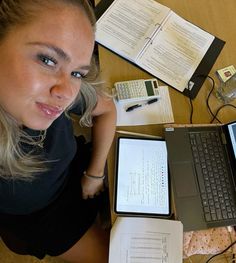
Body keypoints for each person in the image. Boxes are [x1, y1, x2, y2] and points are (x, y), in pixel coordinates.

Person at [0, 0, 116, 262]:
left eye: (77, 72)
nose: (65, 93)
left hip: (74, 171)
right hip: (41, 218)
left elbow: (106, 109)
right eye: (47, 59)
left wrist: (94, 174)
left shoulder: (48, 94)